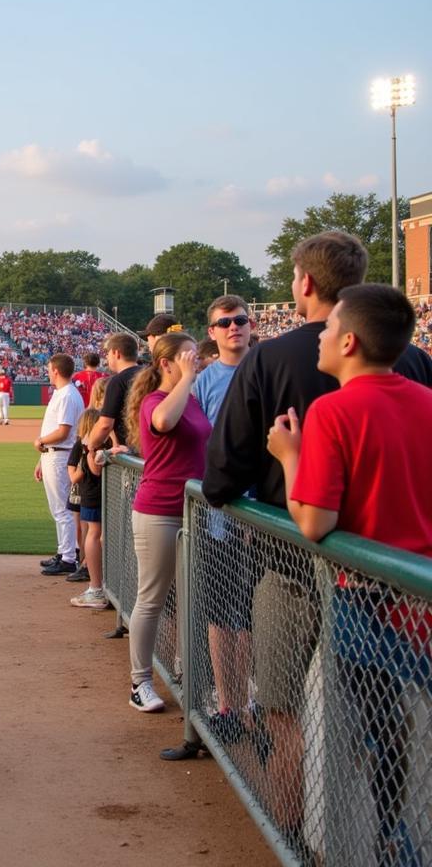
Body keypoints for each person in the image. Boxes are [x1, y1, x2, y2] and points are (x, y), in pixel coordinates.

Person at [201, 230, 432, 851]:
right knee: (383, 717)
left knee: (286, 713)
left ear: (305, 282)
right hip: (397, 579)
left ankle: (290, 839)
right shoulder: (412, 361)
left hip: (298, 566)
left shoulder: (275, 359)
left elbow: (222, 476)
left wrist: (279, 467)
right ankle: (388, 832)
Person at [267, 284, 432, 867]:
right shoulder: (427, 400)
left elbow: (314, 523)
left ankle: (371, 847)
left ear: (350, 341)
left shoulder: (333, 409)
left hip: (364, 602)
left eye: (329, 324)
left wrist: (289, 456)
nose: (320, 333)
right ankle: (401, 839)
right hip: (422, 598)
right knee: (409, 731)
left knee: (360, 738)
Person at [124, 332, 210, 713]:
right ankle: (139, 682)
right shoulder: (157, 400)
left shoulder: (189, 399)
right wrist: (188, 378)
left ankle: (186, 670)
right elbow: (162, 421)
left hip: (193, 511)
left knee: (194, 598)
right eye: (188, 357)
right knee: (152, 598)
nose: (195, 362)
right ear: (165, 363)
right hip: (159, 510)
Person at [192, 296, 256, 739]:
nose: (235, 327)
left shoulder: (266, 369)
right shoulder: (204, 381)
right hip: (216, 512)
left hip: (262, 514)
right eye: (225, 323)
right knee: (218, 613)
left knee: (249, 616)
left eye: (241, 320)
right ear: (212, 332)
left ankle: (250, 704)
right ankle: (228, 702)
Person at [34, 354, 84, 576]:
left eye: (49, 368)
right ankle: (65, 551)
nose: (47, 371)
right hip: (53, 455)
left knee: (61, 509)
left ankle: (68, 558)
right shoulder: (62, 393)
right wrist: (41, 459)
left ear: (55, 370)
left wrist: (41, 442)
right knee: (61, 509)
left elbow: (64, 431)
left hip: (60, 454)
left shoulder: (67, 395)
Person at [68, 407, 111, 609]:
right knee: (98, 534)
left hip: (92, 495)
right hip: (94, 494)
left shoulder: (89, 445)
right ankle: (100, 584)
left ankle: (96, 586)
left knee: (94, 534)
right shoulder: (98, 443)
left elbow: (87, 472)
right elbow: (75, 475)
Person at [84, 332, 140, 452]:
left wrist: (90, 445)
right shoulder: (150, 374)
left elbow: (105, 425)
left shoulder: (117, 381)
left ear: (116, 353)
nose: (107, 357)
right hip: (152, 447)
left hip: (129, 449)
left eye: (108, 353)